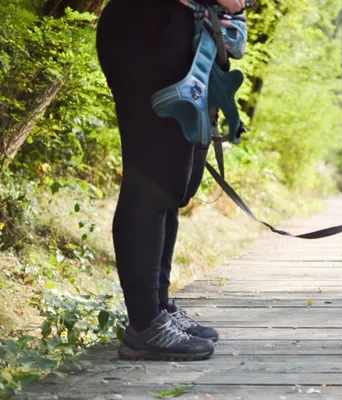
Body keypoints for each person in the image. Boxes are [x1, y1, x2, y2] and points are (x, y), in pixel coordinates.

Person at [96, 0, 245, 361]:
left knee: (172, 178)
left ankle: (158, 309)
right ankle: (145, 326)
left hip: (175, 29)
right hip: (145, 28)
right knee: (150, 177)